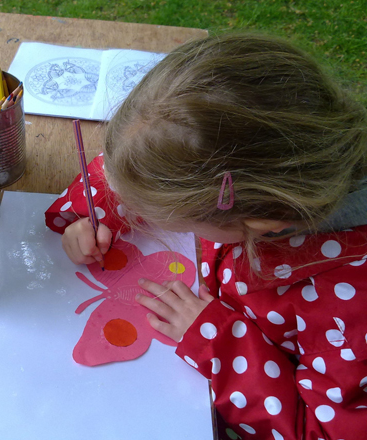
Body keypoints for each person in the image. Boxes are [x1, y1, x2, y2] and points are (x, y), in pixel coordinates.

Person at [45, 33, 367, 439]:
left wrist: (217, 339)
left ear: (265, 223)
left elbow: (318, 430)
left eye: (183, 221)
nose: (164, 221)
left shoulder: (349, 309)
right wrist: (92, 215)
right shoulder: (244, 159)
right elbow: (141, 161)